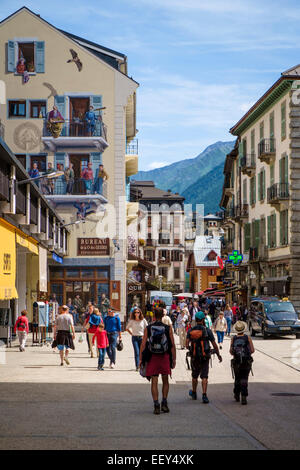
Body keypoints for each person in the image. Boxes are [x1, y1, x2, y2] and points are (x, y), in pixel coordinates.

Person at [139, 307, 176, 415]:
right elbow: (172, 345)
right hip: (164, 356)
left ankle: (156, 405)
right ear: (163, 316)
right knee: (165, 380)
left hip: (152, 357)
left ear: (154, 316)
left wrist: (141, 359)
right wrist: (173, 359)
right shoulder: (167, 328)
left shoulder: (149, 327)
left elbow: (143, 344)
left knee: (154, 381)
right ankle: (164, 402)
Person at [186, 311, 222, 404]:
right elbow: (214, 345)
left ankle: (194, 393)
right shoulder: (207, 331)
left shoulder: (191, 330)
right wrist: (218, 355)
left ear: (196, 320)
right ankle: (204, 395)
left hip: (194, 357)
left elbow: (186, 344)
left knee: (194, 375)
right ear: (203, 320)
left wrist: (192, 348)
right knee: (204, 376)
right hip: (205, 356)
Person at [230, 321, 255, 405]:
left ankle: (236, 394)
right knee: (244, 378)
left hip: (236, 362)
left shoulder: (233, 338)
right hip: (246, 361)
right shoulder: (247, 338)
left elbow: (231, 352)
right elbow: (252, 350)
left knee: (237, 378)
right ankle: (243, 396)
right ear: (243, 330)